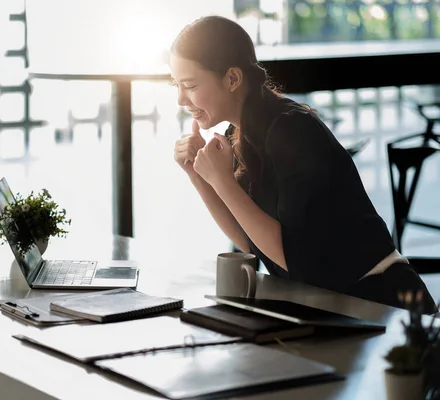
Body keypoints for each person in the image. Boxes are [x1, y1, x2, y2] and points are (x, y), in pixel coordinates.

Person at [170, 15, 437, 314]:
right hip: (334, 304)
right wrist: (197, 176)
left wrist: (222, 181)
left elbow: (294, 258)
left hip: (383, 301)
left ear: (232, 79)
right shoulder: (241, 133)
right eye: (176, 85)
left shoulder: (292, 129)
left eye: (189, 85)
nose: (181, 98)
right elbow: (251, 242)